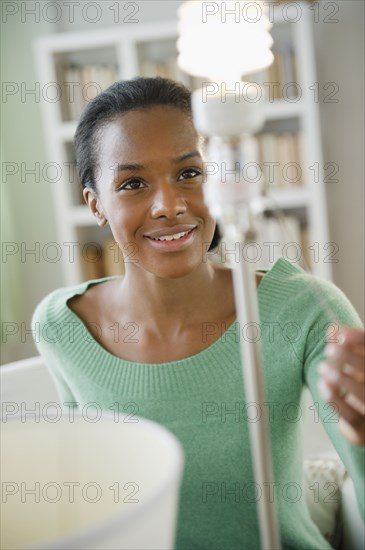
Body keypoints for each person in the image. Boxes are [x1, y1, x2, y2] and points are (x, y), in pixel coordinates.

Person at [32, 77, 364, 549]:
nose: (170, 205)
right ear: (96, 206)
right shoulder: (61, 326)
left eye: (189, 174)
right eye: (133, 183)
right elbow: (84, 501)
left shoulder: (306, 308)